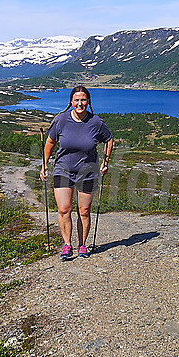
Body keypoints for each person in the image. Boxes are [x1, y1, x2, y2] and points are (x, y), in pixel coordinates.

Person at [40, 86, 113, 260]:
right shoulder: (61, 120)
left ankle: (82, 245)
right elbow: (50, 142)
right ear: (71, 102)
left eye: (83, 100)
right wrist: (44, 165)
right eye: (76, 100)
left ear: (88, 101)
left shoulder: (96, 122)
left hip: (87, 172)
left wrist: (105, 162)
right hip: (63, 170)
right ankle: (67, 245)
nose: (80, 103)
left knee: (84, 210)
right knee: (64, 209)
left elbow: (109, 139)